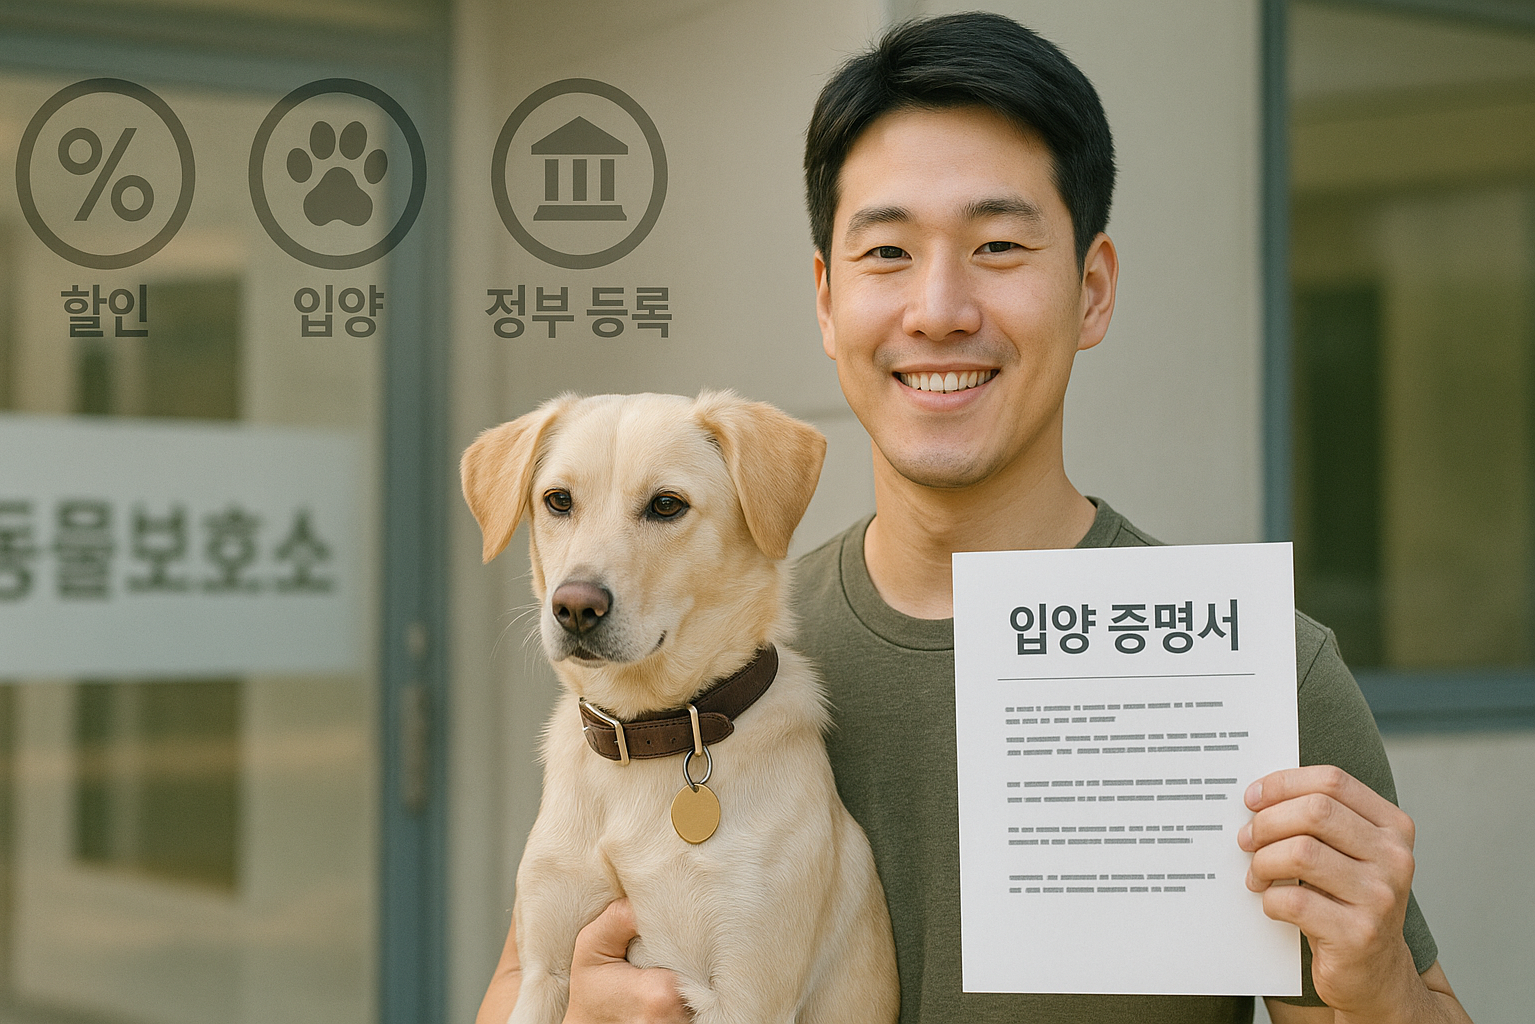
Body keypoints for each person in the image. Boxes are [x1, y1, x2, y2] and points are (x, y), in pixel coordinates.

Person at [478, 12, 1473, 1024]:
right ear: (826, 299)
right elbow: (526, 984)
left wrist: (1383, 984)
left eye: (998, 245)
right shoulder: (701, 659)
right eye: (887, 252)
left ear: (1092, 290)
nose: (940, 308)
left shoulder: (1248, 673)